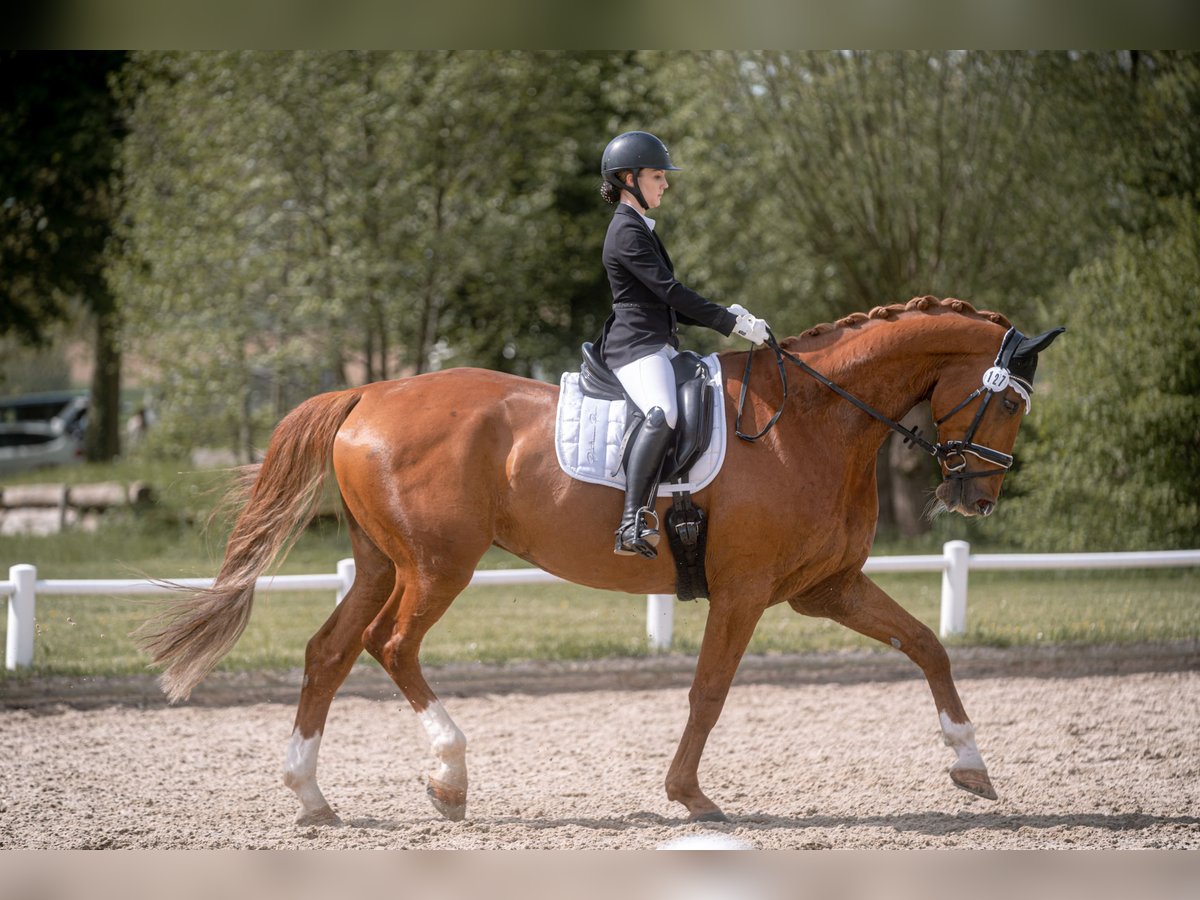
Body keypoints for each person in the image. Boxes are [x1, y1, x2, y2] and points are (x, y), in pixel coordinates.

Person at [595, 130, 770, 559]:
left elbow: (667, 302)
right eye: (658, 176)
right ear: (628, 178)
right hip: (635, 347)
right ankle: (631, 520)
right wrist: (728, 321)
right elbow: (670, 291)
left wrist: (732, 325)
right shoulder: (626, 231)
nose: (665, 184)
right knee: (663, 411)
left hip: (655, 342)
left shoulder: (639, 228)